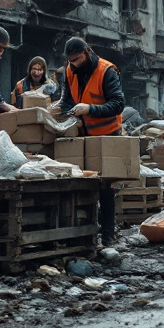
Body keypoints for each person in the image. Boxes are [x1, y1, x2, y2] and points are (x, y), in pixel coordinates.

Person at [57, 37, 126, 246]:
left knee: (106, 188)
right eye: (71, 61)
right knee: (83, 184)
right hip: (83, 134)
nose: (74, 64)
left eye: (77, 59)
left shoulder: (107, 71)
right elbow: (68, 99)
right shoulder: (69, 71)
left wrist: (90, 109)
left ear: (87, 52)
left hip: (107, 135)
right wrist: (68, 114)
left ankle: (107, 236)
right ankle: (86, 236)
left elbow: (118, 104)